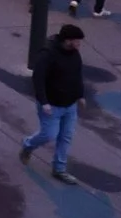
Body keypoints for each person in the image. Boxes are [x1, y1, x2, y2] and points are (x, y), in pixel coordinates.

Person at [19, 23, 87, 184]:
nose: (79, 44)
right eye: (77, 41)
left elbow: (77, 75)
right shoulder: (48, 54)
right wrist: (44, 102)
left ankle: (59, 169)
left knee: (66, 137)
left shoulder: (75, 54)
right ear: (68, 41)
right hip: (52, 105)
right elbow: (38, 78)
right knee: (49, 134)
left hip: (70, 105)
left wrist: (80, 95)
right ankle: (28, 145)